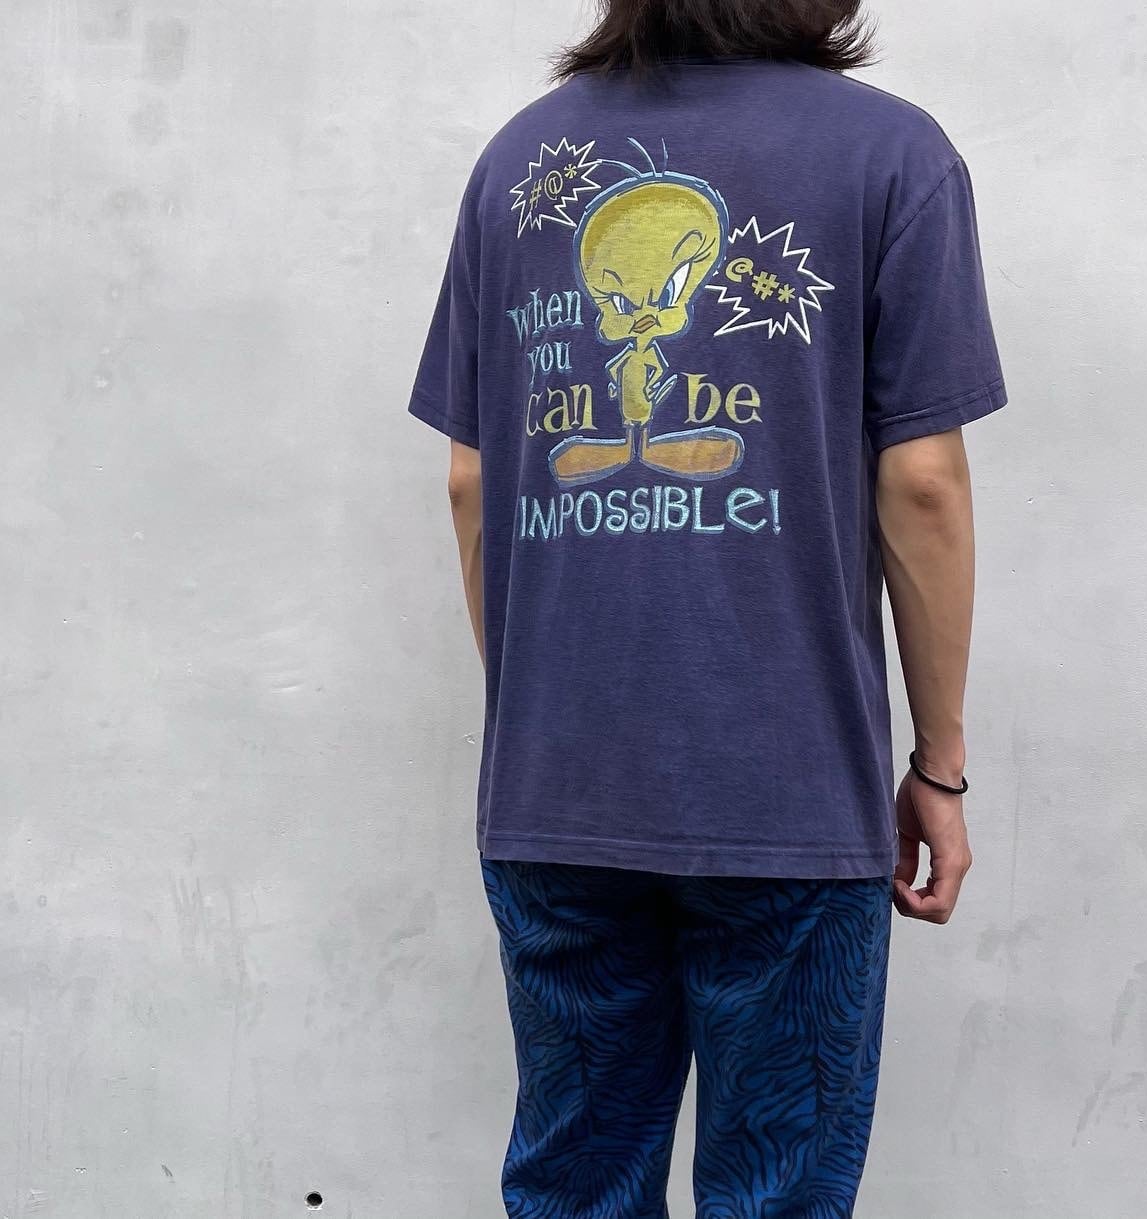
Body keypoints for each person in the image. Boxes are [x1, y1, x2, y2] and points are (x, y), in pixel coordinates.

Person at [405, 0, 1007, 1213]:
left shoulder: (517, 162)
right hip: (788, 787)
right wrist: (937, 766)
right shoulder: (893, 157)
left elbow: (471, 480)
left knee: (576, 1183)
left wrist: (540, 710)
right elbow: (924, 485)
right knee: (778, 1189)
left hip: (557, 791)